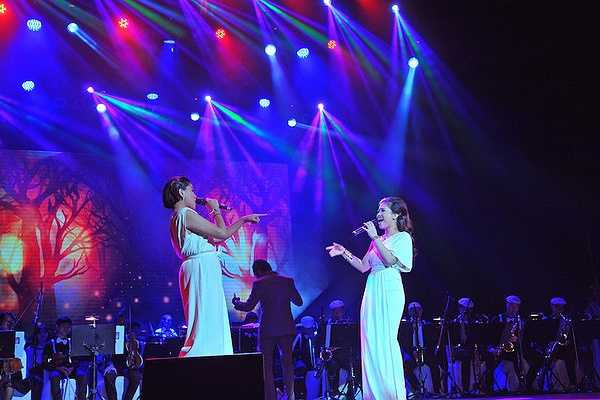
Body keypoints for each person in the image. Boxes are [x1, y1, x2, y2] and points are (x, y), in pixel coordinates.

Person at [162, 176, 265, 357]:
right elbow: (222, 233)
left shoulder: (179, 217)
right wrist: (215, 210)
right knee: (205, 314)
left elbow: (217, 237)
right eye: (192, 191)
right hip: (200, 267)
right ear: (181, 192)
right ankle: (204, 354)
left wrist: (243, 220)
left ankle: (213, 352)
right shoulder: (186, 214)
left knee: (207, 313)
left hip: (199, 266)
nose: (195, 196)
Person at [326, 196, 414, 400]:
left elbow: (390, 261)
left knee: (385, 341)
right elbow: (363, 266)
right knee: (370, 343)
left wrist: (375, 238)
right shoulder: (378, 240)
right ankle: (374, 395)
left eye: (383, 210)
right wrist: (344, 252)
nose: (378, 214)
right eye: (378, 210)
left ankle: (393, 395)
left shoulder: (402, 238)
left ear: (396, 215)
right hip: (372, 289)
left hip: (389, 288)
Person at [233, 259, 303, 400]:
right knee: (288, 365)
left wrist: (237, 303)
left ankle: (270, 398)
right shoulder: (287, 281)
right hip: (286, 328)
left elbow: (249, 306)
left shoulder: (259, 283)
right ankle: (291, 397)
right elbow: (299, 302)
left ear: (258, 271)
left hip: (268, 330)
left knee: (267, 367)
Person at [43, 317, 88, 400]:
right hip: (57, 369)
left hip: (71, 369)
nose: (66, 329)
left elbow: (77, 359)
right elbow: (45, 363)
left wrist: (72, 367)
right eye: (63, 326)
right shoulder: (49, 344)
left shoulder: (73, 342)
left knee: (82, 375)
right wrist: (58, 368)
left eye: (68, 327)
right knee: (54, 376)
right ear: (57, 327)